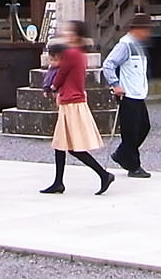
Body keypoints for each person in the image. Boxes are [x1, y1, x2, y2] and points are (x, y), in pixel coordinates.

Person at [42, 20, 113, 195]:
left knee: (73, 147)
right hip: (74, 99)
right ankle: (58, 182)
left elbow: (60, 75)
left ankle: (103, 174)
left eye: (69, 31)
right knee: (60, 144)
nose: (65, 34)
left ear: (75, 34)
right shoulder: (80, 54)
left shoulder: (71, 53)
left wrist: (51, 88)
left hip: (71, 101)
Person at [100, 12, 154, 178]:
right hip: (128, 94)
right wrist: (115, 84)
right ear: (138, 29)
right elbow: (108, 64)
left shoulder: (138, 45)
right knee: (131, 132)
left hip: (138, 93)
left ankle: (122, 154)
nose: (148, 33)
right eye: (146, 29)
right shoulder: (125, 45)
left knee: (144, 127)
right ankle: (133, 166)